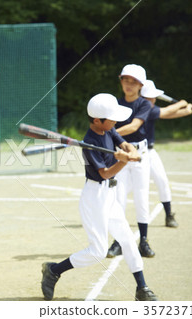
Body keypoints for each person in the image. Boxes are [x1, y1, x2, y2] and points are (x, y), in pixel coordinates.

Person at [41, 93, 158, 301]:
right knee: (98, 251)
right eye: (111, 118)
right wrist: (123, 162)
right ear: (97, 120)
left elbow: (123, 143)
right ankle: (54, 270)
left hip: (110, 194)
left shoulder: (109, 128)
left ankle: (142, 288)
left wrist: (129, 151)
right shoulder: (89, 143)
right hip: (95, 196)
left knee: (128, 240)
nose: (116, 121)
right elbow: (104, 172)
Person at [107, 64, 155, 258]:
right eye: (125, 80)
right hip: (121, 155)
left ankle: (143, 241)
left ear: (140, 85)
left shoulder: (144, 104)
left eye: (133, 81)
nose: (128, 84)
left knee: (142, 198)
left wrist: (109, 133)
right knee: (118, 199)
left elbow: (135, 126)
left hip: (140, 156)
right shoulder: (115, 104)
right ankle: (118, 241)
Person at [141, 79, 192, 227]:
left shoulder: (150, 109)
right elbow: (167, 111)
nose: (153, 99)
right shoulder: (144, 109)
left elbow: (166, 114)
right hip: (135, 154)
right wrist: (182, 103)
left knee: (162, 181)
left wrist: (186, 110)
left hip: (150, 153)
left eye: (153, 97)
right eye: (150, 97)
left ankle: (168, 215)